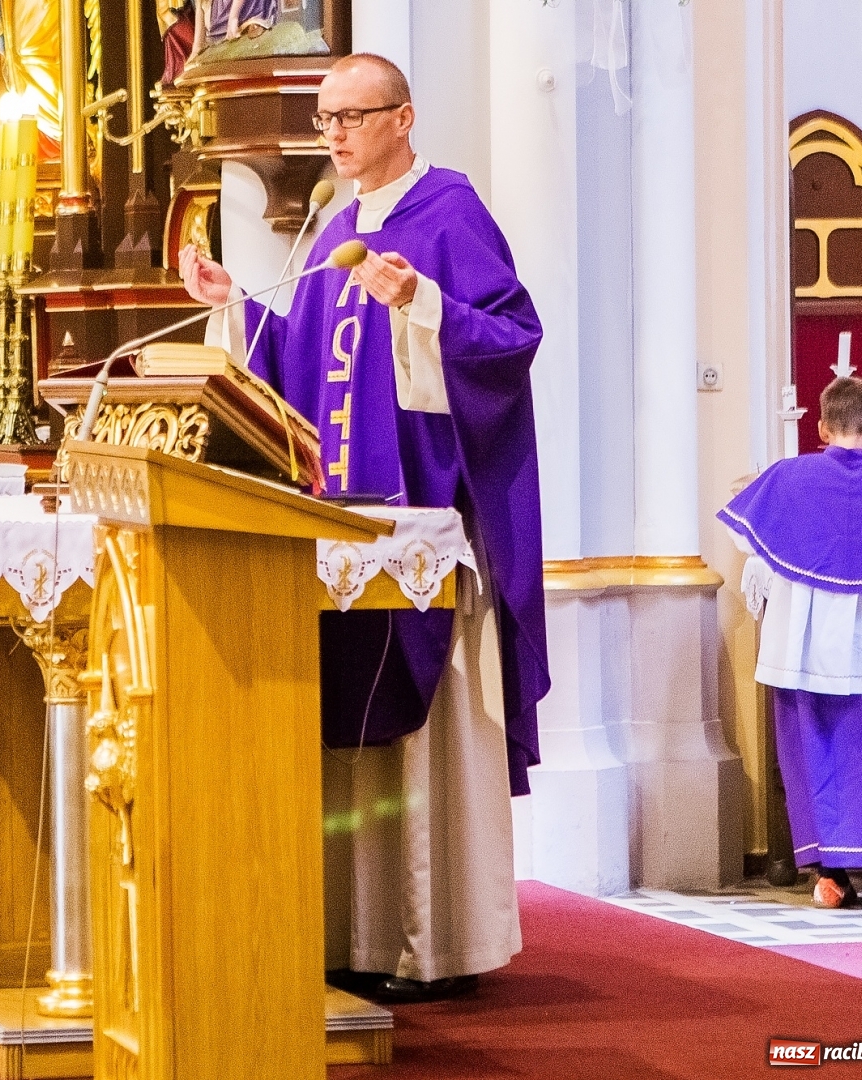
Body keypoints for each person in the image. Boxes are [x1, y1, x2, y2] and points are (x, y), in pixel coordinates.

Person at [180, 52, 547, 1002]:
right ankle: (351, 933)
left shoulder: (452, 215)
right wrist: (233, 310)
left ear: (403, 117)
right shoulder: (337, 229)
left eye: (351, 116)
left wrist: (422, 303)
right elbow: (300, 366)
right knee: (342, 732)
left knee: (422, 746)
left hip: (423, 517)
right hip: (338, 523)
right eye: (324, 119)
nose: (334, 135)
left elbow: (511, 343)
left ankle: (432, 943)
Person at [720, 376, 862, 911]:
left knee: (812, 755)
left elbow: (745, 537)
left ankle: (830, 878)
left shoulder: (787, 476)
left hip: (801, 647)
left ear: (820, 427)